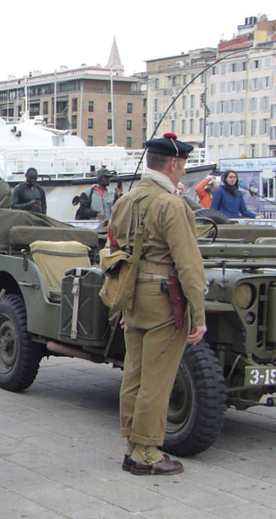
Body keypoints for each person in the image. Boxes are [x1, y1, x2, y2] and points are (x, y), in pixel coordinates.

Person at [108, 132, 206, 476]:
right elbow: (189, 265)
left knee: (134, 375)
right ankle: (146, 452)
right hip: (165, 299)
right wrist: (198, 314)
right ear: (174, 164)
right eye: (183, 165)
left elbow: (115, 252)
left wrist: (122, 304)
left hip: (133, 296)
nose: (184, 171)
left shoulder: (126, 200)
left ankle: (132, 446)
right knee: (157, 380)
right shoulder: (172, 205)